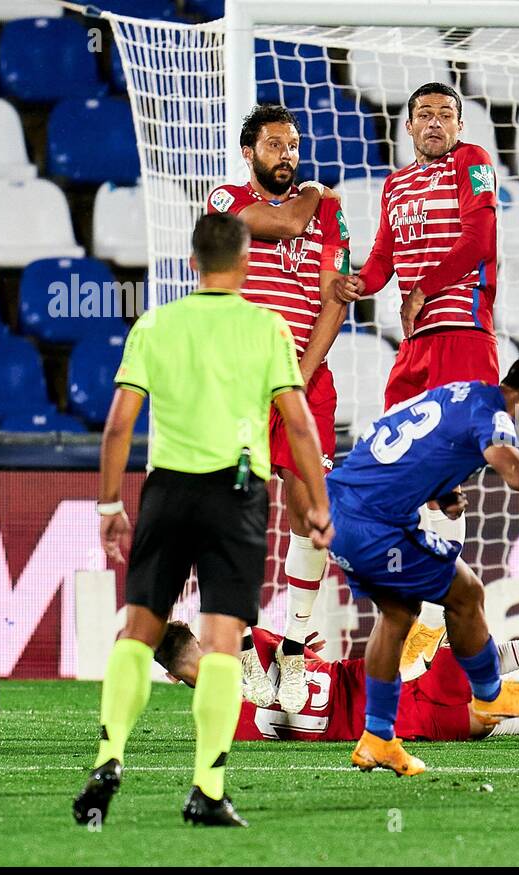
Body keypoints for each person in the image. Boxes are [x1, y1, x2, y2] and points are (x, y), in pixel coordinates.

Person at [72, 214, 331, 827]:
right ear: (245, 266)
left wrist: (110, 506)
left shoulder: (156, 324)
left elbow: (116, 426)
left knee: (139, 629)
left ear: (191, 264)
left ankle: (109, 757)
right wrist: (317, 504)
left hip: (167, 491)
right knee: (221, 644)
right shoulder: (268, 328)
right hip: (234, 494)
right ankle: (207, 788)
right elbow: (299, 424)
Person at [325, 353, 519, 776]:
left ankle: (377, 738)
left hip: (339, 511)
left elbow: (410, 448)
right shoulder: (494, 414)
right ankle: (490, 693)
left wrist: (441, 492)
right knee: (465, 592)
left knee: (398, 614)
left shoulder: (462, 394)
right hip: (372, 523)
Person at [331, 82, 502, 666]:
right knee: (402, 466)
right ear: (407, 127)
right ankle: (424, 616)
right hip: (415, 344)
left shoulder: (474, 163)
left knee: (449, 470)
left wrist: (426, 287)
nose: (434, 123)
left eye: (445, 115)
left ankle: (446, 618)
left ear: (459, 123)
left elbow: (479, 240)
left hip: (461, 330)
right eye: (423, 115)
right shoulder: (396, 185)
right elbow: (383, 259)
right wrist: (357, 282)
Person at [207, 104, 351, 715]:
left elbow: (333, 300)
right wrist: (315, 196)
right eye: (272, 145)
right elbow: (288, 225)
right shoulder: (225, 200)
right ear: (249, 153)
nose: (286, 153)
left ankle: (292, 654)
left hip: (304, 379)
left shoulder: (330, 211)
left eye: (292, 143)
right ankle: (241, 648)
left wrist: (304, 373)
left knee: (309, 511)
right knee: (231, 514)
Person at [154, 623, 519, 745]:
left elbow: (284, 722)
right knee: (492, 660)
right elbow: (296, 660)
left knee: (491, 721)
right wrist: (304, 654)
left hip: (381, 718)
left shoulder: (218, 724)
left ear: (176, 678)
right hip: (375, 678)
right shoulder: (253, 642)